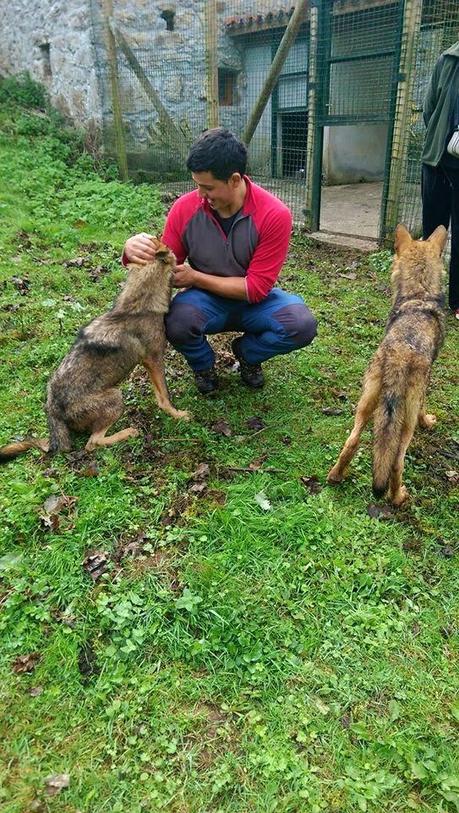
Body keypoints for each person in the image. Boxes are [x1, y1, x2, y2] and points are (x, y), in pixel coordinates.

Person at [123, 127, 317, 393]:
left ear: (235, 180)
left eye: (208, 187)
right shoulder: (185, 208)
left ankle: (248, 354)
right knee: (177, 321)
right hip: (205, 302)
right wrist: (133, 251)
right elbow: (164, 265)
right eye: (197, 185)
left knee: (301, 325)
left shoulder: (274, 215)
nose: (200, 194)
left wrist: (195, 277)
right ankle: (204, 366)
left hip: (255, 304)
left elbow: (256, 288)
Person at [422, 40, 459, 320]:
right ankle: (425, 292)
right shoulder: (447, 60)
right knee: (434, 229)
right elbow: (429, 109)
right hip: (438, 161)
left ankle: (457, 301)